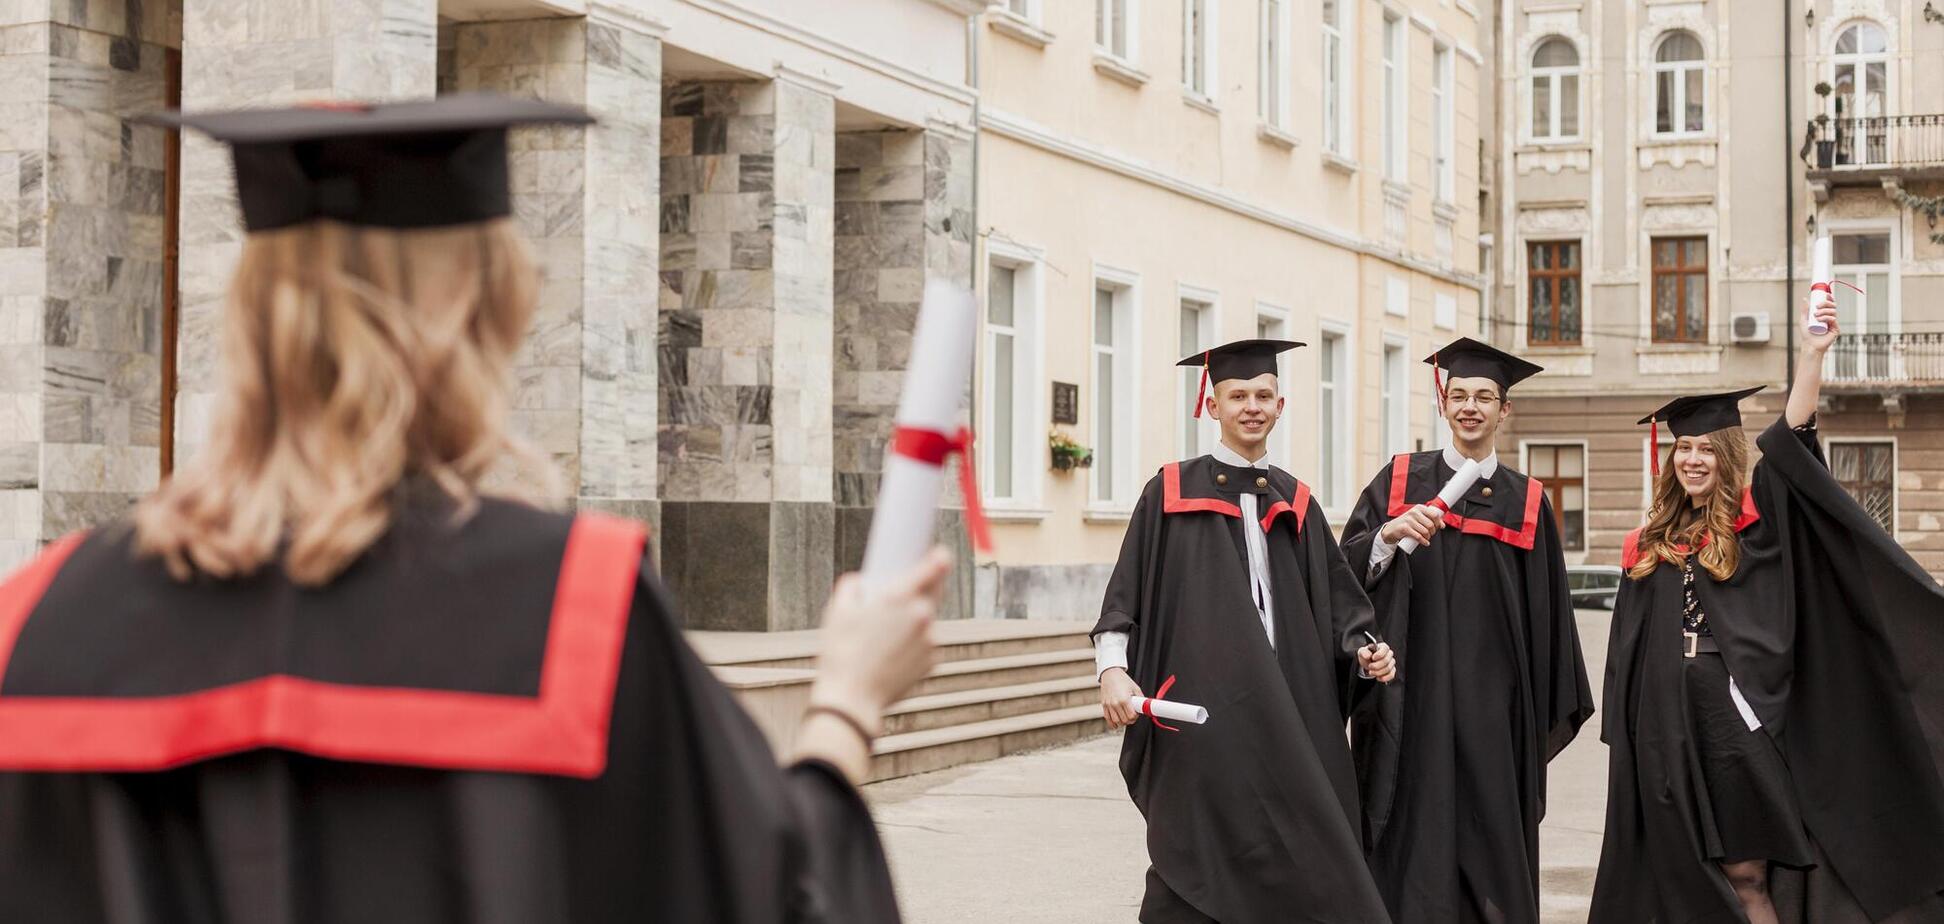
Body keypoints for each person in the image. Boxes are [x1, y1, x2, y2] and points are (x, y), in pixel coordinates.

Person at [0, 94, 947, 924]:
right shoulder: (570, 611)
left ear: (247, 319)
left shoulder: (42, 624)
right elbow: (773, 893)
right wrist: (847, 703)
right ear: (483, 321)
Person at [1591, 301, 1944, 924]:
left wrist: (1812, 354)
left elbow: (1791, 443)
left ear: (1727, 456)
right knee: (1670, 865)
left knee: (1746, 871)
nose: (1693, 459)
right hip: (1662, 716)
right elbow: (1625, 648)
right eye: (1683, 448)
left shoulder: (1756, 525)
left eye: (1707, 448)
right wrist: (1625, 729)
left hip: (1731, 713)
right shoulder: (1648, 545)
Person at [1093, 339, 1398, 924]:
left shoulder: (1297, 501)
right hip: (1203, 717)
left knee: (1310, 859)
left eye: (1263, 395)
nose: (1251, 406)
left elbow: (1342, 608)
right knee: (1197, 859)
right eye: (1237, 396)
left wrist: (1366, 654)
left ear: (1280, 406)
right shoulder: (1170, 491)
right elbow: (1122, 597)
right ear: (1212, 406)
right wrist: (1112, 670)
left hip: (1289, 715)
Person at [1341, 338, 1595, 924]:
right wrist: (1387, 536)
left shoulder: (1528, 501)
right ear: (1443, 403)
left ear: (1505, 410)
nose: (1470, 407)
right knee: (1410, 844)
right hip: (1409, 703)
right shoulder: (1400, 480)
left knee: (1490, 853)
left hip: (1493, 713)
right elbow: (1344, 574)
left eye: (1484, 396)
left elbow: (1548, 617)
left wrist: (1531, 713)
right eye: (1459, 395)